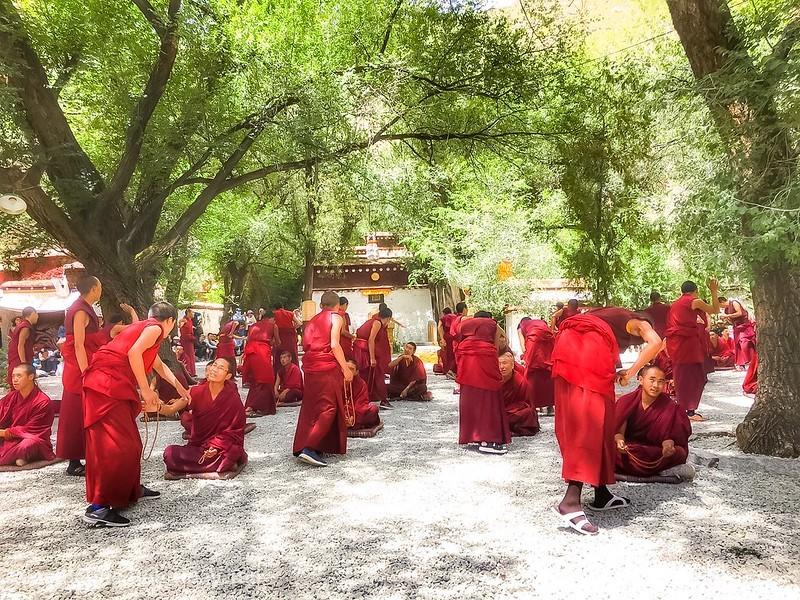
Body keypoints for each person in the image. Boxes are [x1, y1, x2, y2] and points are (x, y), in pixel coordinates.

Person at [551, 305, 661, 535]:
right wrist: (631, 373)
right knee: (589, 423)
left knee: (593, 418)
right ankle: (570, 502)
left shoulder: (609, 312)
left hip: (566, 352)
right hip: (588, 354)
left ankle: (600, 493)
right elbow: (655, 342)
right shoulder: (637, 322)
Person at [82, 302, 190, 528]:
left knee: (130, 442)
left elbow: (159, 366)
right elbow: (133, 354)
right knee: (115, 445)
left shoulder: (145, 329)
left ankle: (130, 489)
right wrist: (146, 389)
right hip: (106, 385)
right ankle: (98, 507)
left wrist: (180, 388)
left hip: (109, 384)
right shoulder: (155, 328)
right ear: (169, 321)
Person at [292, 291, 352, 467]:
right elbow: (334, 344)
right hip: (327, 367)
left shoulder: (312, 321)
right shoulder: (336, 317)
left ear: (321, 305)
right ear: (338, 306)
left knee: (312, 406)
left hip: (311, 367)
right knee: (329, 407)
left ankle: (309, 444)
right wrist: (345, 368)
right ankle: (310, 448)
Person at [160, 357, 247, 475]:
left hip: (220, 448)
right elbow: (171, 409)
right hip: (198, 446)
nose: (214, 369)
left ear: (227, 376)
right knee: (169, 453)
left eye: (220, 368)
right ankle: (222, 464)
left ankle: (217, 462)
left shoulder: (232, 398)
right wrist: (156, 408)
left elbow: (236, 429)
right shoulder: (195, 392)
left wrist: (216, 447)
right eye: (214, 365)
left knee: (232, 452)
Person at [58, 276, 104, 477]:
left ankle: (88, 455)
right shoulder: (79, 310)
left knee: (82, 410)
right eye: (100, 287)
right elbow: (78, 344)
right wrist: (86, 372)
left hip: (82, 363)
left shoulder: (84, 307)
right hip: (78, 368)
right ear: (93, 288)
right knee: (77, 412)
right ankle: (74, 461)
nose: (101, 290)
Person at [615, 365, 693, 479]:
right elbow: (618, 432)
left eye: (660, 381)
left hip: (656, 450)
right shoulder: (626, 401)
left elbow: (672, 436)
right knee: (608, 449)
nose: (656, 386)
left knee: (679, 453)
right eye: (652, 380)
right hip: (629, 448)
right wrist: (619, 441)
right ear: (641, 380)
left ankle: (630, 469)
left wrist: (668, 445)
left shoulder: (670, 406)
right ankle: (662, 471)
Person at [665, 280, 720, 422]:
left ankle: (685, 410)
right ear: (695, 290)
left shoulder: (676, 303)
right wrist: (714, 290)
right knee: (694, 377)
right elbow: (715, 310)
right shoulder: (694, 300)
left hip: (677, 344)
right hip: (688, 344)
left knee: (682, 376)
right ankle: (688, 412)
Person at [456, 310, 510, 454]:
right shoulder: (491, 325)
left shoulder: (464, 327)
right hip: (485, 365)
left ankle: (474, 435)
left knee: (471, 401)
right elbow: (501, 340)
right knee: (488, 401)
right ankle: (487, 440)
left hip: (467, 370)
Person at [0, 364, 55, 466]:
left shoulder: (42, 401)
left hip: (31, 437)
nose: (15, 380)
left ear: (31, 377)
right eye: (13, 376)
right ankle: (19, 457)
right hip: (9, 438)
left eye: (19, 376)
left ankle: (21, 455)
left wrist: (4, 433)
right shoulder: (12, 396)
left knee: (28, 445)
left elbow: (32, 429)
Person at [353, 306, 393, 409]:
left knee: (369, 376)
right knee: (378, 374)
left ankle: (366, 399)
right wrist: (372, 358)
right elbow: (371, 340)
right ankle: (382, 400)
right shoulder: (377, 323)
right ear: (388, 318)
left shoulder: (373, 320)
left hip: (362, 349)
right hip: (365, 351)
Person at [241, 312, 279, 417]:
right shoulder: (273, 326)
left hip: (250, 352)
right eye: (274, 320)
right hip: (261, 351)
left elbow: (248, 339)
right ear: (270, 318)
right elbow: (277, 342)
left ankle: (250, 406)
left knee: (255, 380)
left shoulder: (253, 326)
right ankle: (258, 407)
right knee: (266, 379)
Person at [516, 317, 555, 413]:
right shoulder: (540, 322)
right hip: (549, 339)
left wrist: (526, 357)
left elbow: (523, 347)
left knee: (531, 374)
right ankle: (550, 406)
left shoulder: (521, 327)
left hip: (534, 341)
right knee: (548, 370)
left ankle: (532, 405)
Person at [498, 351, 539, 436]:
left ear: (513, 365)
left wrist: (511, 410)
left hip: (514, 413)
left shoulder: (520, 381)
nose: (501, 367)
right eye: (499, 364)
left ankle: (505, 427)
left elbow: (527, 404)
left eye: (505, 363)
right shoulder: (493, 380)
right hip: (499, 412)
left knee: (529, 413)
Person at [719, 296, 756, 369]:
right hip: (736, 327)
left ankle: (750, 361)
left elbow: (740, 313)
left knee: (745, 342)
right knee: (738, 345)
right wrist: (725, 318)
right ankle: (742, 363)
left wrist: (727, 315)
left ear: (722, 301)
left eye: (719, 304)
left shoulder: (734, 302)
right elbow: (730, 320)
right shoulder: (726, 309)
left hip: (744, 326)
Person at [345, 360, 381, 431]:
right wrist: (344, 415)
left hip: (356, 414)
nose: (348, 371)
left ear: (356, 372)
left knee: (374, 409)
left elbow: (361, 404)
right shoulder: (337, 381)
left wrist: (353, 417)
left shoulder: (361, 384)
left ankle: (353, 423)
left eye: (351, 369)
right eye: (347, 368)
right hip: (342, 414)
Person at [7, 306, 37, 385]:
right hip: (19, 359)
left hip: (18, 358)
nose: (38, 316)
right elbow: (20, 345)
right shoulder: (25, 327)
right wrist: (24, 363)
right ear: (32, 314)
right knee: (21, 384)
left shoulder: (23, 325)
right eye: (36, 314)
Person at [273, 303, 300, 370]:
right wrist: (293, 328)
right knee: (292, 355)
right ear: (283, 307)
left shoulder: (274, 314)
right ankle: (294, 372)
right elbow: (299, 323)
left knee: (278, 356)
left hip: (279, 336)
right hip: (290, 337)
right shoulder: (290, 313)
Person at [178, 308, 197, 377]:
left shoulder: (190, 321)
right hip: (185, 341)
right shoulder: (184, 320)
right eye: (192, 312)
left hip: (190, 340)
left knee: (191, 356)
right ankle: (187, 371)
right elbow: (180, 326)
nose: (193, 314)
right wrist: (181, 323)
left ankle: (192, 372)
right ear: (188, 312)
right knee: (187, 356)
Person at [438, 308, 456, 377]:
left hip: (447, 336)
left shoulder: (443, 318)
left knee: (448, 354)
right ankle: (453, 370)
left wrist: (442, 338)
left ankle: (447, 370)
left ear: (444, 313)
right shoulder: (455, 316)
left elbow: (439, 326)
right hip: (454, 335)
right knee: (454, 353)